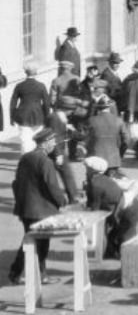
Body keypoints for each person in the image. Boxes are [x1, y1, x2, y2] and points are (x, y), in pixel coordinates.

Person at [8, 127, 69, 285]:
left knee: (30, 240)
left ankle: (22, 272)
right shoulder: (46, 161)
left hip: (25, 208)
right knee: (40, 243)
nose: (54, 145)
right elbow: (52, 186)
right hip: (41, 210)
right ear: (45, 143)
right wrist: (62, 201)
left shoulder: (26, 157)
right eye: (53, 142)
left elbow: (16, 182)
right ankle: (31, 273)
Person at [10, 63, 51, 152]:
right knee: (38, 140)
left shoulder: (19, 86)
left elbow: (13, 102)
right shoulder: (41, 86)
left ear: (25, 72)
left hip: (23, 116)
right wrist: (47, 116)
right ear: (36, 72)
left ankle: (26, 161)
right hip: (38, 115)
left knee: (25, 141)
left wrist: (12, 117)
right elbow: (47, 103)